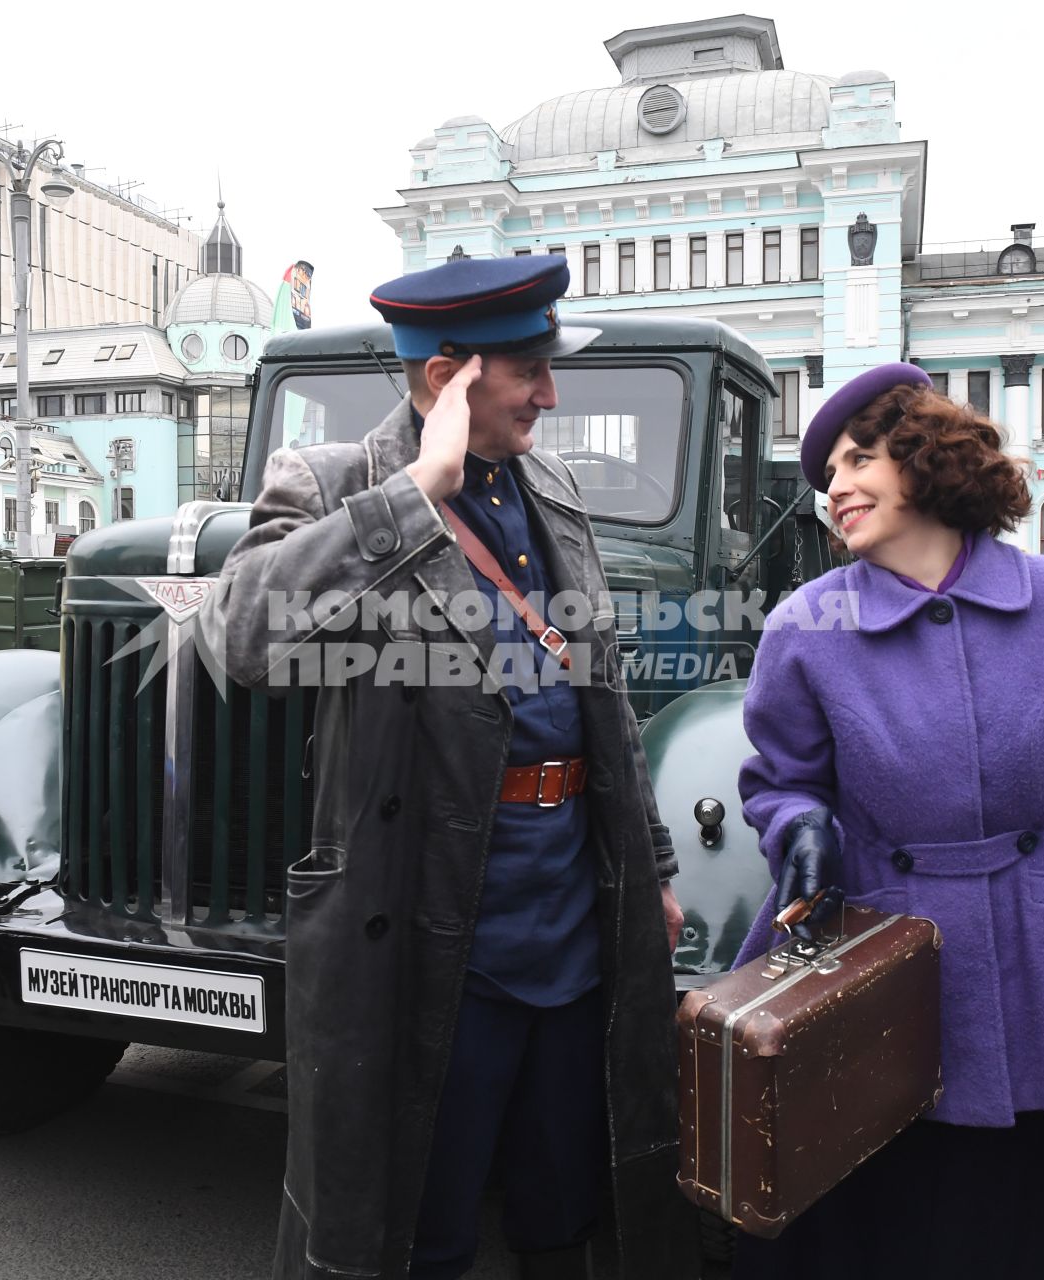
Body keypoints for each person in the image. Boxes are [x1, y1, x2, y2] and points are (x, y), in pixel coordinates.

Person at [198, 255, 695, 1280]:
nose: (550, 394)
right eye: (530, 371)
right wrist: (415, 492)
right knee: (422, 1220)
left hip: (568, 913)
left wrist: (649, 864)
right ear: (449, 378)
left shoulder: (550, 487)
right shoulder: (334, 482)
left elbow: (602, 696)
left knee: (567, 1208)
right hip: (429, 929)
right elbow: (240, 635)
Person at [730, 363, 1044, 1279]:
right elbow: (778, 782)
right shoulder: (805, 626)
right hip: (874, 974)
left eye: (859, 460)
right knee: (878, 1229)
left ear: (926, 458)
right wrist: (799, 827)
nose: (837, 489)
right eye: (826, 476)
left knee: (1019, 1233)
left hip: (1033, 974)